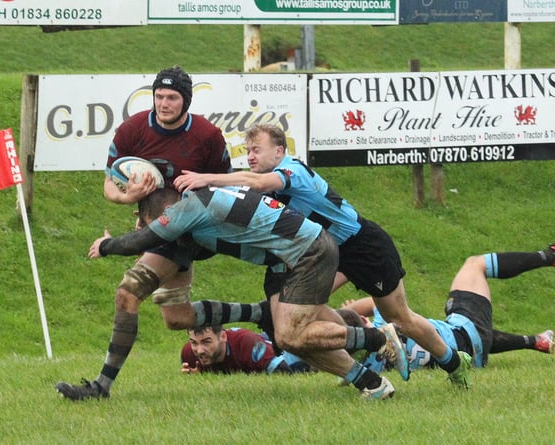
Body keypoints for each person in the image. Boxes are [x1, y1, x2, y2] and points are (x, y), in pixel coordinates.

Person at [173, 123, 472, 388]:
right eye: (247, 151)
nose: (250, 156)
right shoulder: (266, 186)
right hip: (323, 253)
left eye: (256, 150)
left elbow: (257, 183)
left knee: (400, 316)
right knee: (302, 311)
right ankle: (361, 350)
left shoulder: (293, 170)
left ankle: (454, 363)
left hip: (362, 246)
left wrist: (206, 178)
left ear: (279, 151)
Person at [82, 185, 410, 400]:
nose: (157, 234)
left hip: (308, 252)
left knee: (291, 336)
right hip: (284, 260)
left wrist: (107, 245)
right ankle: (371, 383)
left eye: (154, 224)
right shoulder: (203, 208)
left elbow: (144, 240)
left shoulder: (188, 207)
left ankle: (377, 339)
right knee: (291, 336)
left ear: (166, 213)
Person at [56, 65, 232, 401]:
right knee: (177, 318)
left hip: (189, 233)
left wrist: (196, 192)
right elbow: (110, 184)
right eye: (159, 96)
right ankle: (259, 312)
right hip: (155, 230)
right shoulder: (133, 129)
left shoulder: (207, 136)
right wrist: (129, 197)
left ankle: (100, 387)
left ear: (186, 101)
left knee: (128, 293)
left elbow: (227, 186)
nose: (164, 103)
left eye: (172, 97)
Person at [343, 244, 555, 373]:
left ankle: (536, 341)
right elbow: (376, 301)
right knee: (475, 265)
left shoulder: (360, 367)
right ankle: (549, 255)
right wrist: (349, 309)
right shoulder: (383, 323)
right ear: (363, 320)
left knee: (462, 330)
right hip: (466, 335)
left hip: (469, 357)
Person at [181, 325, 311, 374]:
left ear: (223, 336)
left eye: (206, 342)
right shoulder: (189, 354)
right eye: (194, 343)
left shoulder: (245, 343)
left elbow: (284, 373)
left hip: (295, 350)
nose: (200, 350)